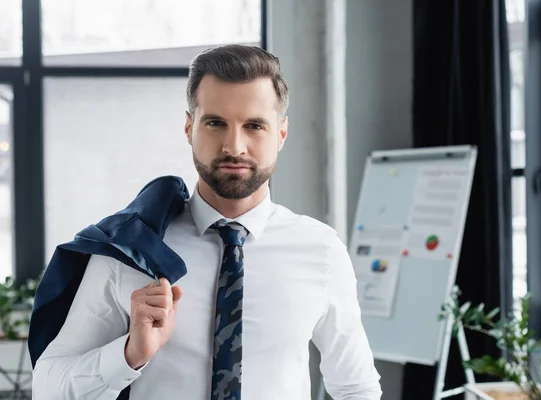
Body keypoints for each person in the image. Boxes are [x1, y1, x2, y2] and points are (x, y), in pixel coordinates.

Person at [31, 44, 382, 400]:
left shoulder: (321, 250)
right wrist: (128, 354)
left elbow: (356, 387)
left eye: (255, 125)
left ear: (281, 134)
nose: (235, 146)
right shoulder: (133, 249)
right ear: (189, 127)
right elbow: (47, 387)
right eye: (215, 123)